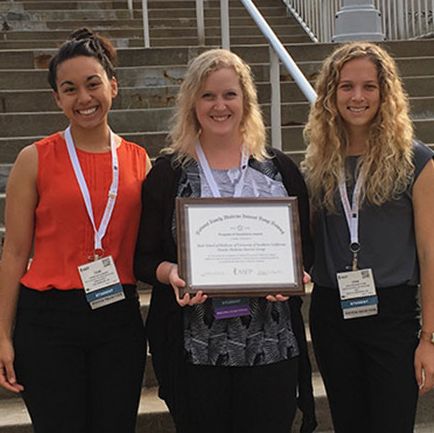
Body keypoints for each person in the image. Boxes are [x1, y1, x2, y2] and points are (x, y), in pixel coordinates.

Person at [134, 49, 317, 433]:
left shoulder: (278, 169)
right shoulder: (169, 174)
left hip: (272, 348)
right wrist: (173, 273)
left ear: (246, 100)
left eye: (230, 94)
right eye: (208, 95)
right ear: (192, 103)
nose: (220, 105)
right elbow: (142, 258)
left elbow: (308, 254)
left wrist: (294, 277)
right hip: (195, 352)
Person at [0, 28, 150, 433]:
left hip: (117, 317)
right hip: (47, 322)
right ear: (57, 99)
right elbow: (14, 253)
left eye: (93, 84)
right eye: (70, 89)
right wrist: (3, 337)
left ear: (113, 86)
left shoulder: (139, 161)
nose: (84, 98)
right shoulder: (34, 159)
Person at [302, 42, 434, 433]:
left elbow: (431, 254)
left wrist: (429, 339)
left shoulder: (415, 160)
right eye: (346, 86)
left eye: (369, 86)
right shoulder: (318, 162)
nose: (357, 97)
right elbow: (310, 239)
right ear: (331, 95)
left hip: (392, 314)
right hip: (332, 312)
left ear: (386, 93)